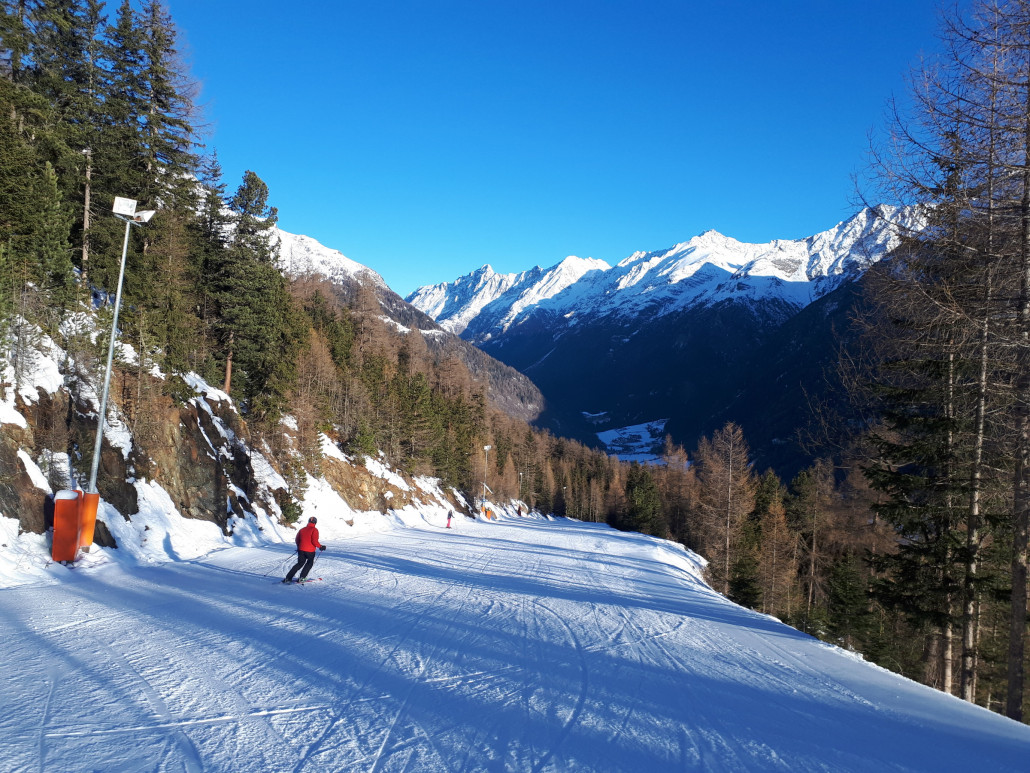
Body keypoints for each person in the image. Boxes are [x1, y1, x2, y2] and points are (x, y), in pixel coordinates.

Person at [283, 516, 325, 583]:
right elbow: (314, 541)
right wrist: (320, 546)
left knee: (300, 563)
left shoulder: (302, 529)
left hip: (301, 550)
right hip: (310, 551)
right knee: (309, 563)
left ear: (308, 522)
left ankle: (288, 578)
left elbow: (297, 539)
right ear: (315, 523)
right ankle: (302, 578)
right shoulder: (314, 530)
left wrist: (299, 547)